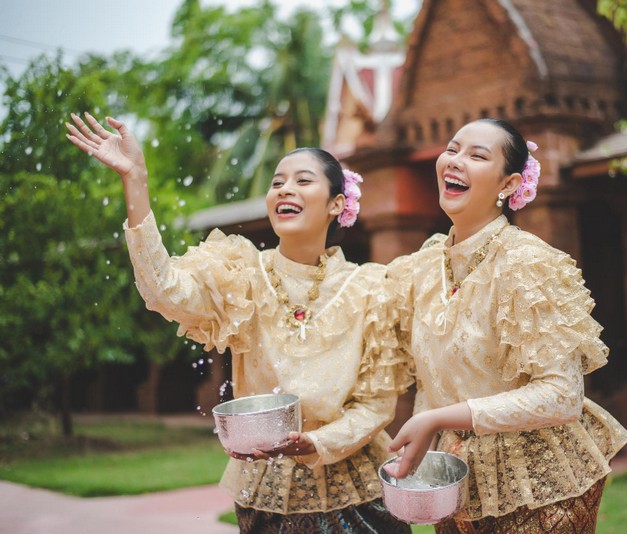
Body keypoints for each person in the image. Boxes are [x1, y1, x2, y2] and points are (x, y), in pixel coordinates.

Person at [66, 112, 413, 534]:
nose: (285, 188)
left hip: (357, 493)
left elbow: (377, 405)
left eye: (303, 180)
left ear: (337, 204)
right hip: (266, 491)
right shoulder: (241, 274)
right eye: (277, 181)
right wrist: (135, 181)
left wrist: (318, 443)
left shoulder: (371, 288)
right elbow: (163, 291)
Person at [384, 118, 627, 533]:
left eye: (477, 156)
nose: (455, 161)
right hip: (457, 482)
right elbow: (432, 377)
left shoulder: (526, 263)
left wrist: (437, 419)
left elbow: (561, 395)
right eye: (452, 148)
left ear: (509, 184)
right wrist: (425, 445)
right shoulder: (421, 269)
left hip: (539, 482)